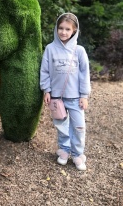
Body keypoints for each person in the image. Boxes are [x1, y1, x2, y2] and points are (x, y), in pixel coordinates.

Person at [40, 13, 91, 171]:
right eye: (60, 28)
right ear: (56, 29)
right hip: (57, 98)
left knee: (78, 127)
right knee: (62, 126)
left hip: (75, 98)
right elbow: (45, 71)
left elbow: (84, 74)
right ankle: (64, 151)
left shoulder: (79, 51)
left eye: (67, 29)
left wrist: (84, 95)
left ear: (74, 31)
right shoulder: (50, 49)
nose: (63, 32)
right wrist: (46, 90)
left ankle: (77, 154)